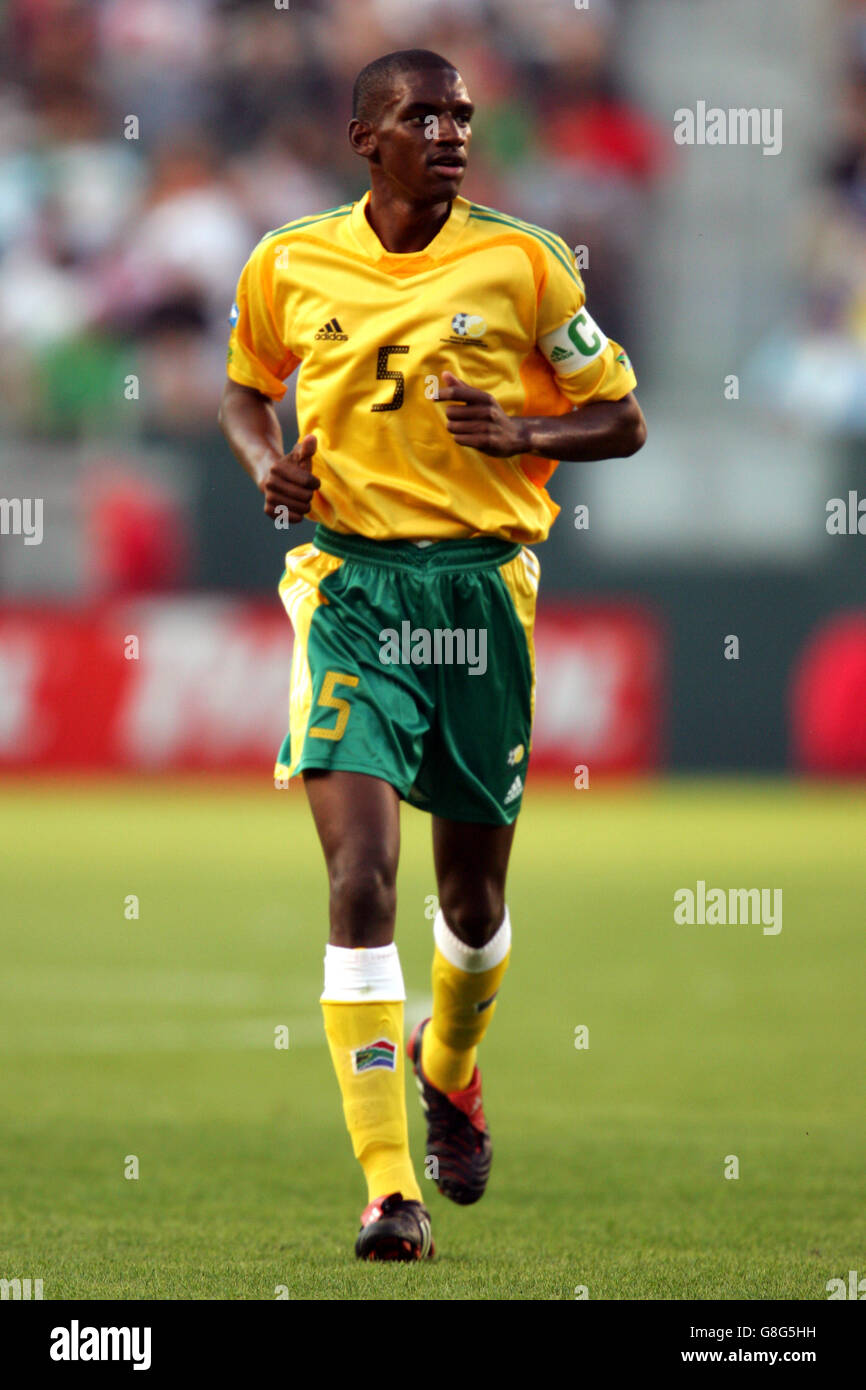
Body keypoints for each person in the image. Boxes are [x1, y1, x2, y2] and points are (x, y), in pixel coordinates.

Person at [219, 48, 646, 1262]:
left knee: (471, 903)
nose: (451, 131)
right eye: (424, 114)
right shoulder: (287, 260)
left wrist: (520, 427)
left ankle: (448, 1065)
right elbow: (245, 392)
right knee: (361, 880)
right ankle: (387, 1191)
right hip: (351, 585)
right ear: (366, 135)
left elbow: (622, 415)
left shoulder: (525, 260)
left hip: (478, 596)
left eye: (461, 115)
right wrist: (269, 469)